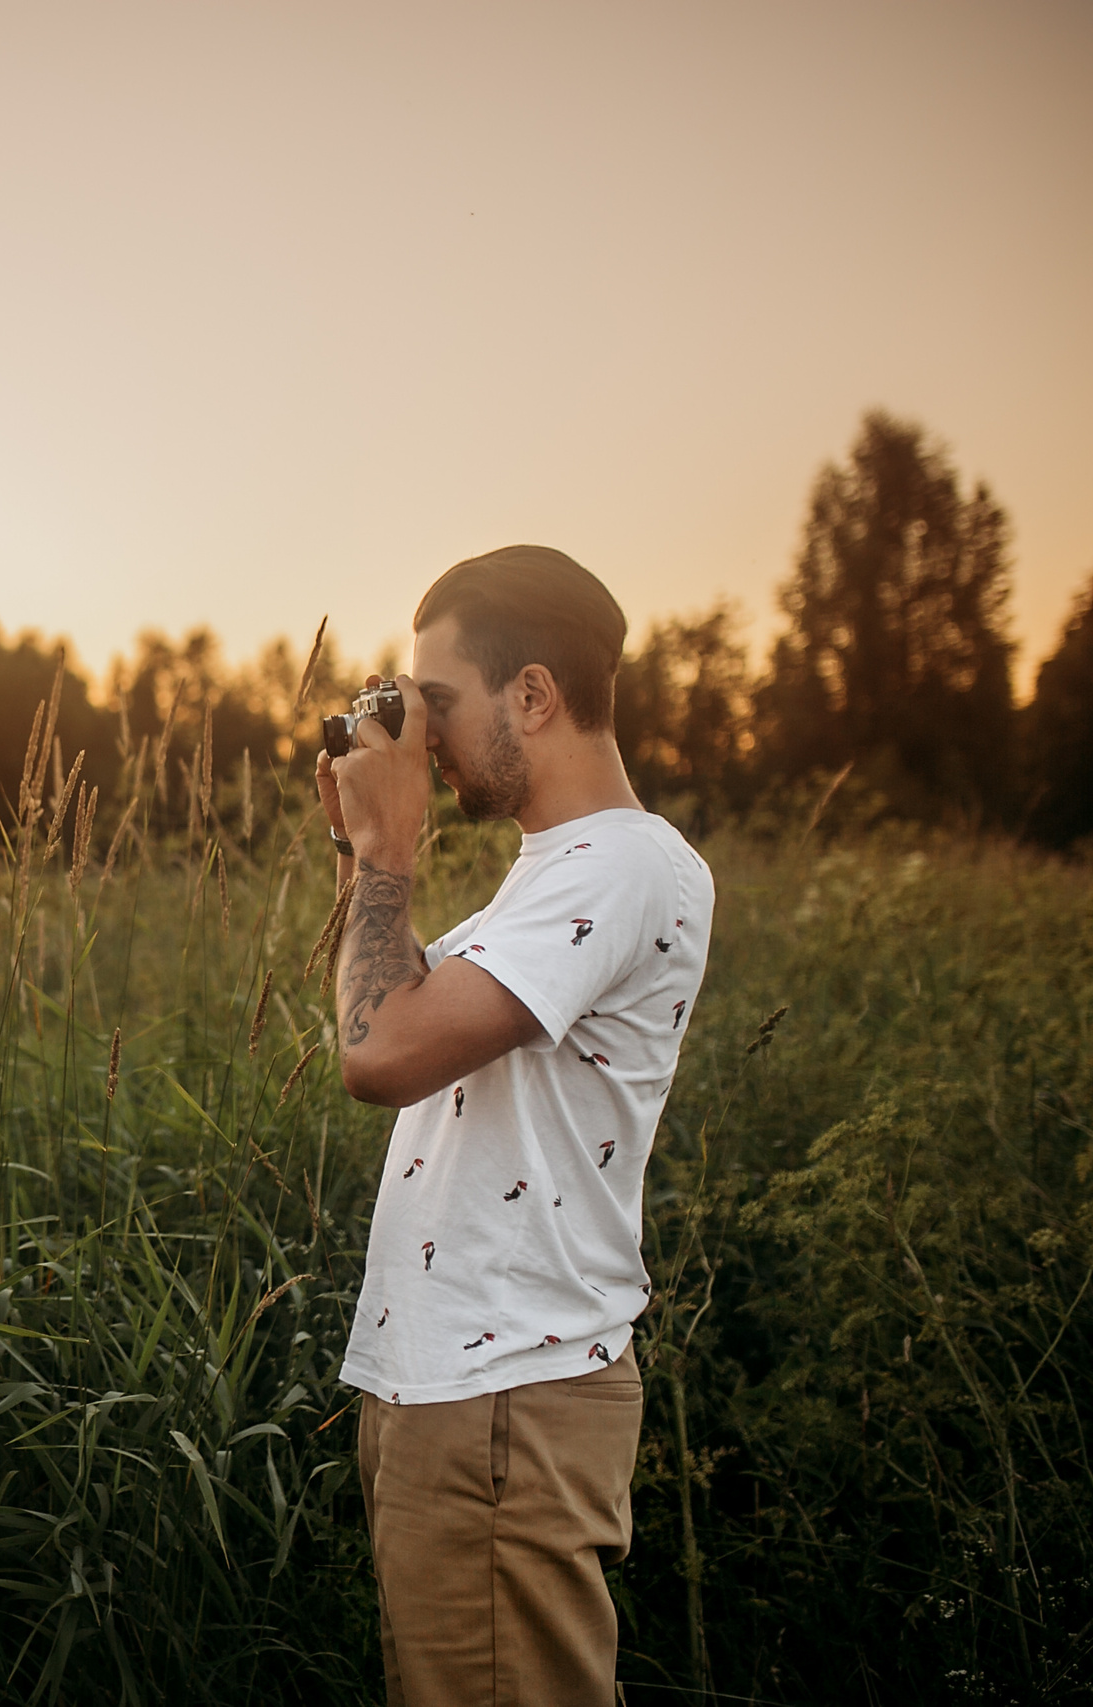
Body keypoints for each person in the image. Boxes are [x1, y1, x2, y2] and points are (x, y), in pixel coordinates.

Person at [316, 546, 714, 1707]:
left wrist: (390, 850)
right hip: (458, 1388)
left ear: (532, 695)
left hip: (506, 1396)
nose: (422, 738)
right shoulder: (549, 878)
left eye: (435, 703)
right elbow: (381, 1011)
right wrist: (358, 849)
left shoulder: (625, 866)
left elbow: (374, 1054)